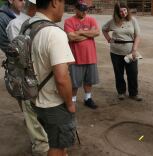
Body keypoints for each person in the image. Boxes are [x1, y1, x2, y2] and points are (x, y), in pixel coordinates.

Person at [29, 0, 77, 155]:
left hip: (34, 97)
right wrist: (70, 104)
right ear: (55, 2)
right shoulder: (54, 33)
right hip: (53, 102)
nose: (64, 8)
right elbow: (62, 79)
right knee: (57, 146)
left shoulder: (28, 25)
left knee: (52, 139)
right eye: (63, 3)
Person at [5, 1, 50, 155]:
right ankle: (41, 148)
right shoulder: (16, 24)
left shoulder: (40, 23)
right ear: (33, 7)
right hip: (28, 77)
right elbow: (19, 56)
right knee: (32, 113)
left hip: (40, 77)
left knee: (38, 113)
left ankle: (43, 144)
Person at [102, 2, 142, 101]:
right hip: (115, 52)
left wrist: (134, 50)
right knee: (119, 73)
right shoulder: (112, 22)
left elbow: (137, 36)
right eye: (120, 11)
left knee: (133, 73)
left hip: (130, 52)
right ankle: (121, 92)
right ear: (117, 12)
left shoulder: (133, 20)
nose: (123, 13)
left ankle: (133, 93)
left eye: (124, 10)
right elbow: (104, 29)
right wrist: (108, 39)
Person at [64, 0, 99, 109]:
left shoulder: (91, 19)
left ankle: (87, 98)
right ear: (76, 9)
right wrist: (89, 34)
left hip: (90, 56)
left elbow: (97, 32)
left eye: (86, 10)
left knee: (89, 80)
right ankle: (72, 100)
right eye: (81, 10)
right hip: (75, 57)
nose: (84, 12)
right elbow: (71, 37)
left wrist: (80, 32)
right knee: (74, 82)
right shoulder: (69, 21)